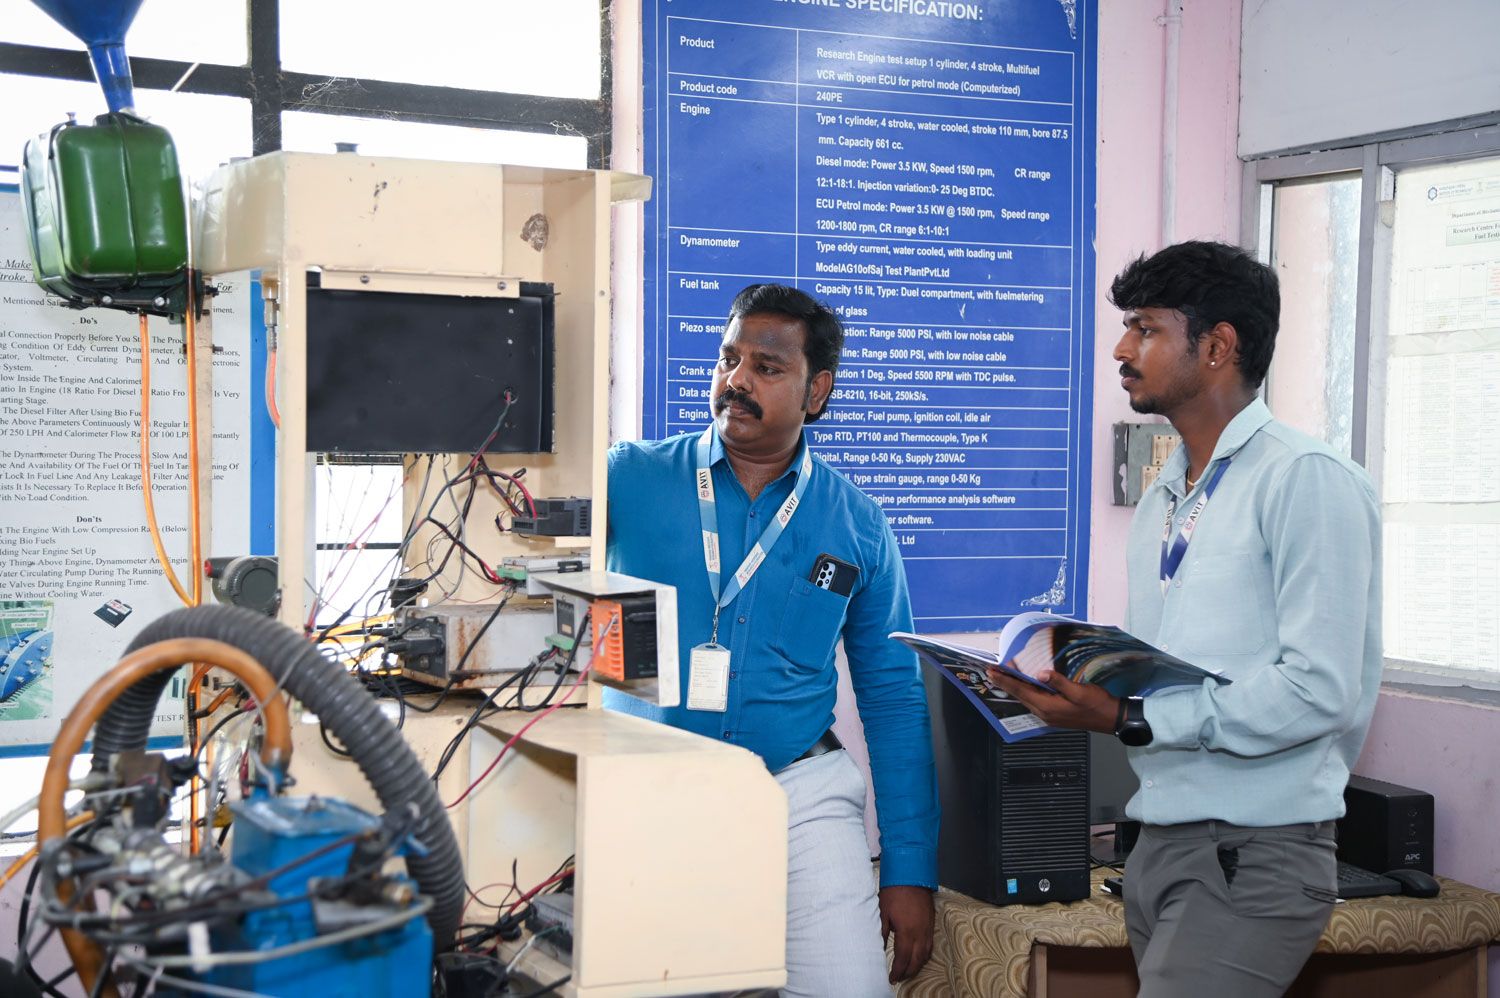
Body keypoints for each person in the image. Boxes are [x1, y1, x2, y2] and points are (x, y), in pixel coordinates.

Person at [986, 241, 1381, 997]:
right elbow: (1171, 672)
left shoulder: (1306, 481)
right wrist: (1080, 686)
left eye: (1145, 329)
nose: (1121, 349)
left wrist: (1131, 717)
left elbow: (1320, 690)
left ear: (1217, 346)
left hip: (1253, 851)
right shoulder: (1169, 494)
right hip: (1163, 840)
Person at [604, 284, 940, 995]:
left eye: (766, 366)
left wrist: (909, 869)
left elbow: (892, 700)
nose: (737, 381)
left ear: (816, 391)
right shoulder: (626, 480)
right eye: (729, 359)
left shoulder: (858, 524)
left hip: (799, 790)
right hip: (649, 792)